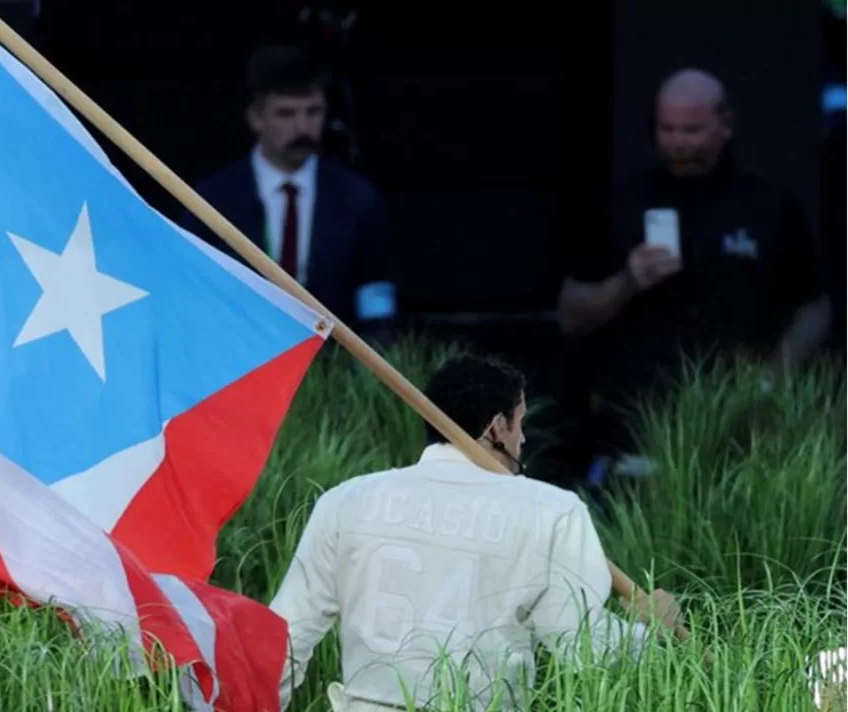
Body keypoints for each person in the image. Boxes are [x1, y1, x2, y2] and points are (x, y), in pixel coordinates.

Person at [269, 356, 681, 711]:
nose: (523, 437)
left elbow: (284, 641)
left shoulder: (346, 500)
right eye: (520, 422)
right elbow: (586, 649)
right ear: (497, 427)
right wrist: (651, 632)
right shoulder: (553, 511)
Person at [557, 68, 832, 464]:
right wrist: (627, 281)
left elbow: (815, 307)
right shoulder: (621, 204)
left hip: (739, 419)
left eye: (692, 130)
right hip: (635, 420)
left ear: (725, 125)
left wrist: (772, 379)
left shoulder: (769, 207)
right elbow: (570, 317)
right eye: (667, 130)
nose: (678, 143)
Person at [177, 45, 397, 338]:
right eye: (286, 114)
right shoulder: (211, 200)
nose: (302, 127)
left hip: (333, 358)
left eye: (313, 112)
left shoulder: (358, 199)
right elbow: (191, 295)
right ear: (256, 118)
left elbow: (376, 306)